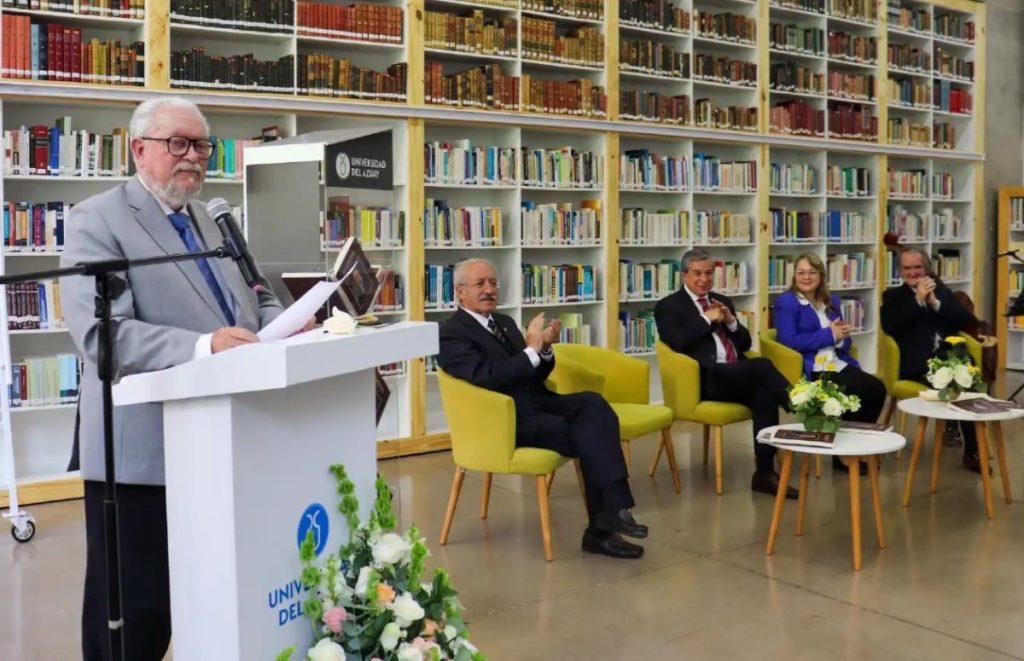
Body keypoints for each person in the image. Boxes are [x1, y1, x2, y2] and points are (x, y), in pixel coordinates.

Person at [61, 97, 286, 661]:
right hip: (140, 452)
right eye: (178, 144)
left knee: (204, 597)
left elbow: (251, 297)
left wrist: (285, 322)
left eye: (202, 145)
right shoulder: (97, 219)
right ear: (139, 149)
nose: (193, 157)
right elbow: (102, 335)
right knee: (135, 614)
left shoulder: (211, 218)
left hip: (223, 438)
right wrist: (203, 346)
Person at [437, 258, 647, 559]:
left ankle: (611, 515)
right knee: (592, 435)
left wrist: (545, 349)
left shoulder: (505, 322)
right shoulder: (451, 333)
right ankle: (605, 527)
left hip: (539, 402)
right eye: (480, 284)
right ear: (459, 291)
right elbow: (489, 377)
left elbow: (533, 371)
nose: (489, 290)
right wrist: (532, 350)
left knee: (593, 403)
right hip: (506, 420)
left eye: (493, 283)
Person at [655, 248, 797, 498]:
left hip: (735, 373)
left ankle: (764, 474)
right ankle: (800, 405)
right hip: (706, 378)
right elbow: (677, 342)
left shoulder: (721, 300)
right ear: (684, 275)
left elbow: (744, 344)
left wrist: (730, 320)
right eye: (697, 273)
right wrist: (706, 318)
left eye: (709, 273)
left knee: (764, 395)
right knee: (762, 365)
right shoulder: (668, 306)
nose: (704, 279)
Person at [773, 253, 887, 471]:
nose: (806, 277)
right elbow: (790, 342)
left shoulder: (831, 300)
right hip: (813, 367)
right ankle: (841, 454)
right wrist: (830, 335)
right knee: (854, 390)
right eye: (801, 273)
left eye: (812, 272)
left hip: (836, 362)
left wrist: (841, 337)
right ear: (794, 275)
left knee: (877, 389)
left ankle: (856, 444)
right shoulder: (787, 302)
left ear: (821, 275)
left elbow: (844, 340)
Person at [881, 246, 984, 472]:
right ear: (900, 271)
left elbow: (968, 320)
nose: (912, 273)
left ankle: (972, 450)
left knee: (970, 384)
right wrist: (918, 301)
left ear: (926, 268)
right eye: (907, 268)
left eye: (917, 267)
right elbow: (890, 326)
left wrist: (936, 303)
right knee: (958, 383)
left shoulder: (941, 290)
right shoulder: (893, 297)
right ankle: (963, 439)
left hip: (952, 356)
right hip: (920, 363)